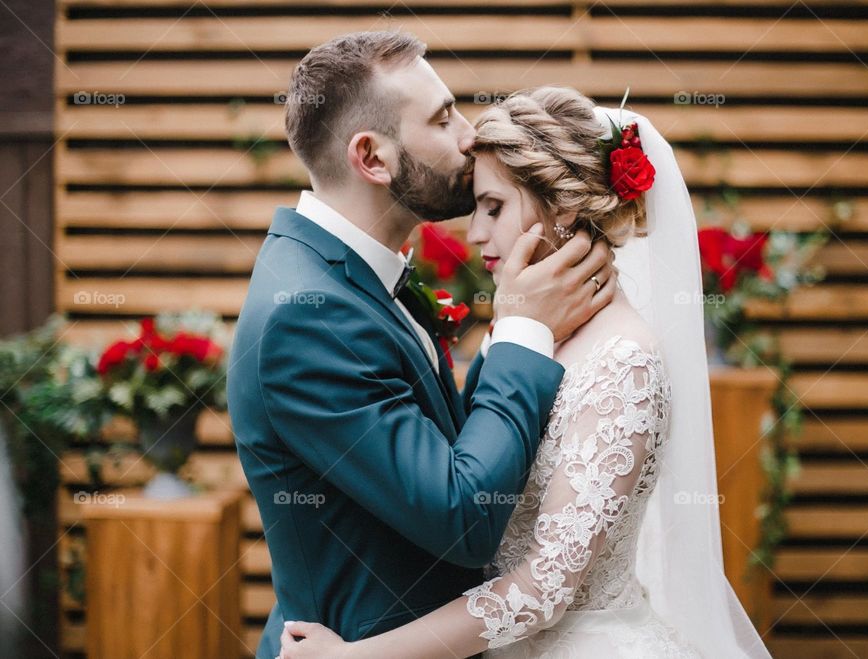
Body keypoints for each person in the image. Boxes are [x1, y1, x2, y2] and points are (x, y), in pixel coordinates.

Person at [277, 87, 772, 658]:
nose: (476, 233)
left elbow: (545, 590)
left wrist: (353, 657)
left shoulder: (624, 360)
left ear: (561, 207)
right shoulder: (526, 333)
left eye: (494, 207)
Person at [226, 33, 616, 659]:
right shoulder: (309, 318)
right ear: (372, 159)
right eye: (441, 118)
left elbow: (435, 444)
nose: (469, 135)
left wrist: (517, 329)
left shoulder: (351, 276)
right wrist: (522, 330)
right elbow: (463, 517)